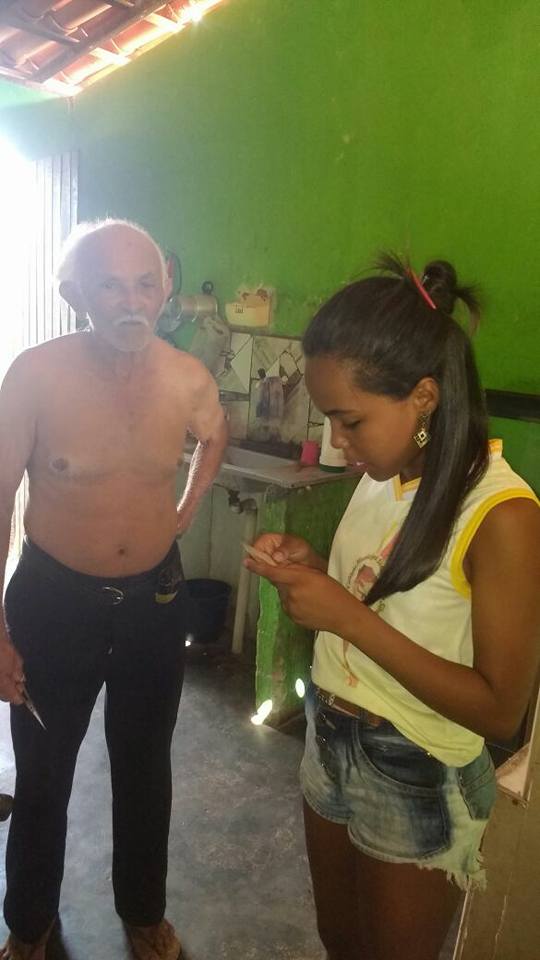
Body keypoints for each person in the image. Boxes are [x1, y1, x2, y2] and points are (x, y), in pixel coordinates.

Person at [244, 254, 540, 960]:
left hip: (417, 767)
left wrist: (345, 617)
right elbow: (396, 599)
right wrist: (317, 571)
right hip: (330, 735)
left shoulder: (502, 515)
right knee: (340, 940)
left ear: (424, 398)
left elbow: (501, 710)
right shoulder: (388, 470)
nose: (337, 443)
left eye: (350, 421)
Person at [0, 219, 228, 960]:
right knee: (43, 774)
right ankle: (29, 924)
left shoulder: (186, 377)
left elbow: (215, 434)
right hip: (52, 604)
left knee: (145, 766)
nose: (132, 302)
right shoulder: (34, 375)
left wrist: (184, 512)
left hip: (155, 604)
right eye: (111, 285)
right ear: (76, 294)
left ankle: (143, 912)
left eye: (145, 284)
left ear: (165, 289)